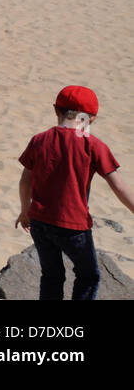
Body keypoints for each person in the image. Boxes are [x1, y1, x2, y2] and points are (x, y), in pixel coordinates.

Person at [15, 86, 134, 300]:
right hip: (73, 226)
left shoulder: (39, 140)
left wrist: (25, 210)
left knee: (51, 275)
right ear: (92, 119)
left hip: (39, 221)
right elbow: (119, 186)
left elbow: (25, 181)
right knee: (88, 276)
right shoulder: (94, 145)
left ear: (56, 110)